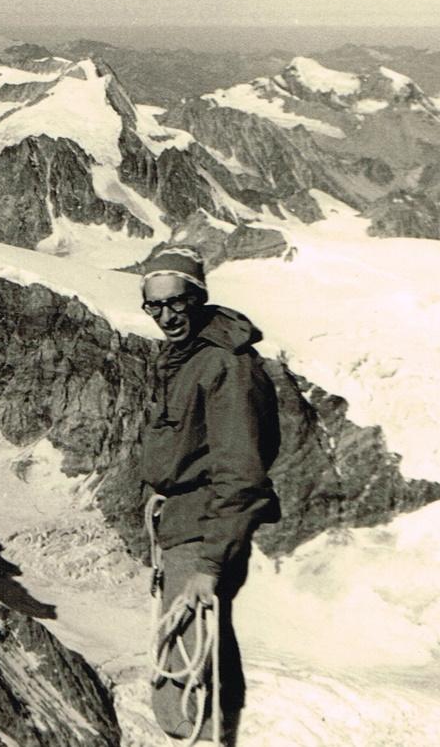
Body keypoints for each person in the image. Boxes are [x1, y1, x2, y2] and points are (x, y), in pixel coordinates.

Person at [138, 246, 281, 746]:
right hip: (186, 526)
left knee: (185, 680)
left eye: (176, 303)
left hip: (203, 535)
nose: (166, 316)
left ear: (198, 297)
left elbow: (240, 473)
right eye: (154, 306)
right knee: (206, 658)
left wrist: (209, 566)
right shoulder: (186, 356)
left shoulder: (222, 365)